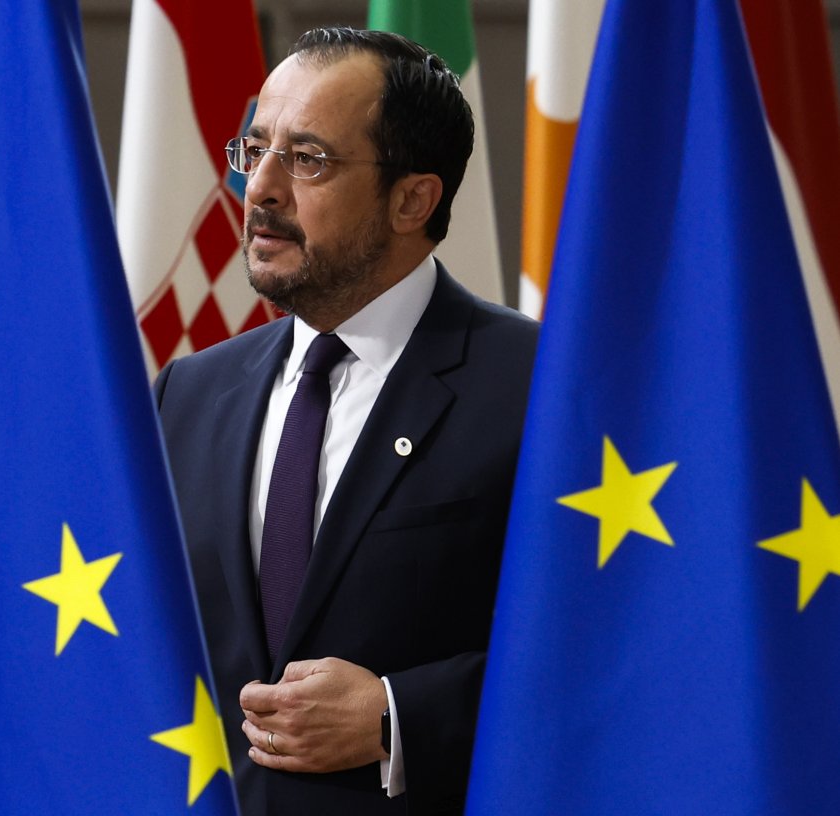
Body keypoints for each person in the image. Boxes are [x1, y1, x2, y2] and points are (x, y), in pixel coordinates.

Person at [154, 26, 538, 815]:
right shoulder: (187, 394)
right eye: (253, 149)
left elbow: (622, 639)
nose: (258, 188)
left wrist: (403, 717)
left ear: (412, 199)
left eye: (307, 159)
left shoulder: (542, 386)